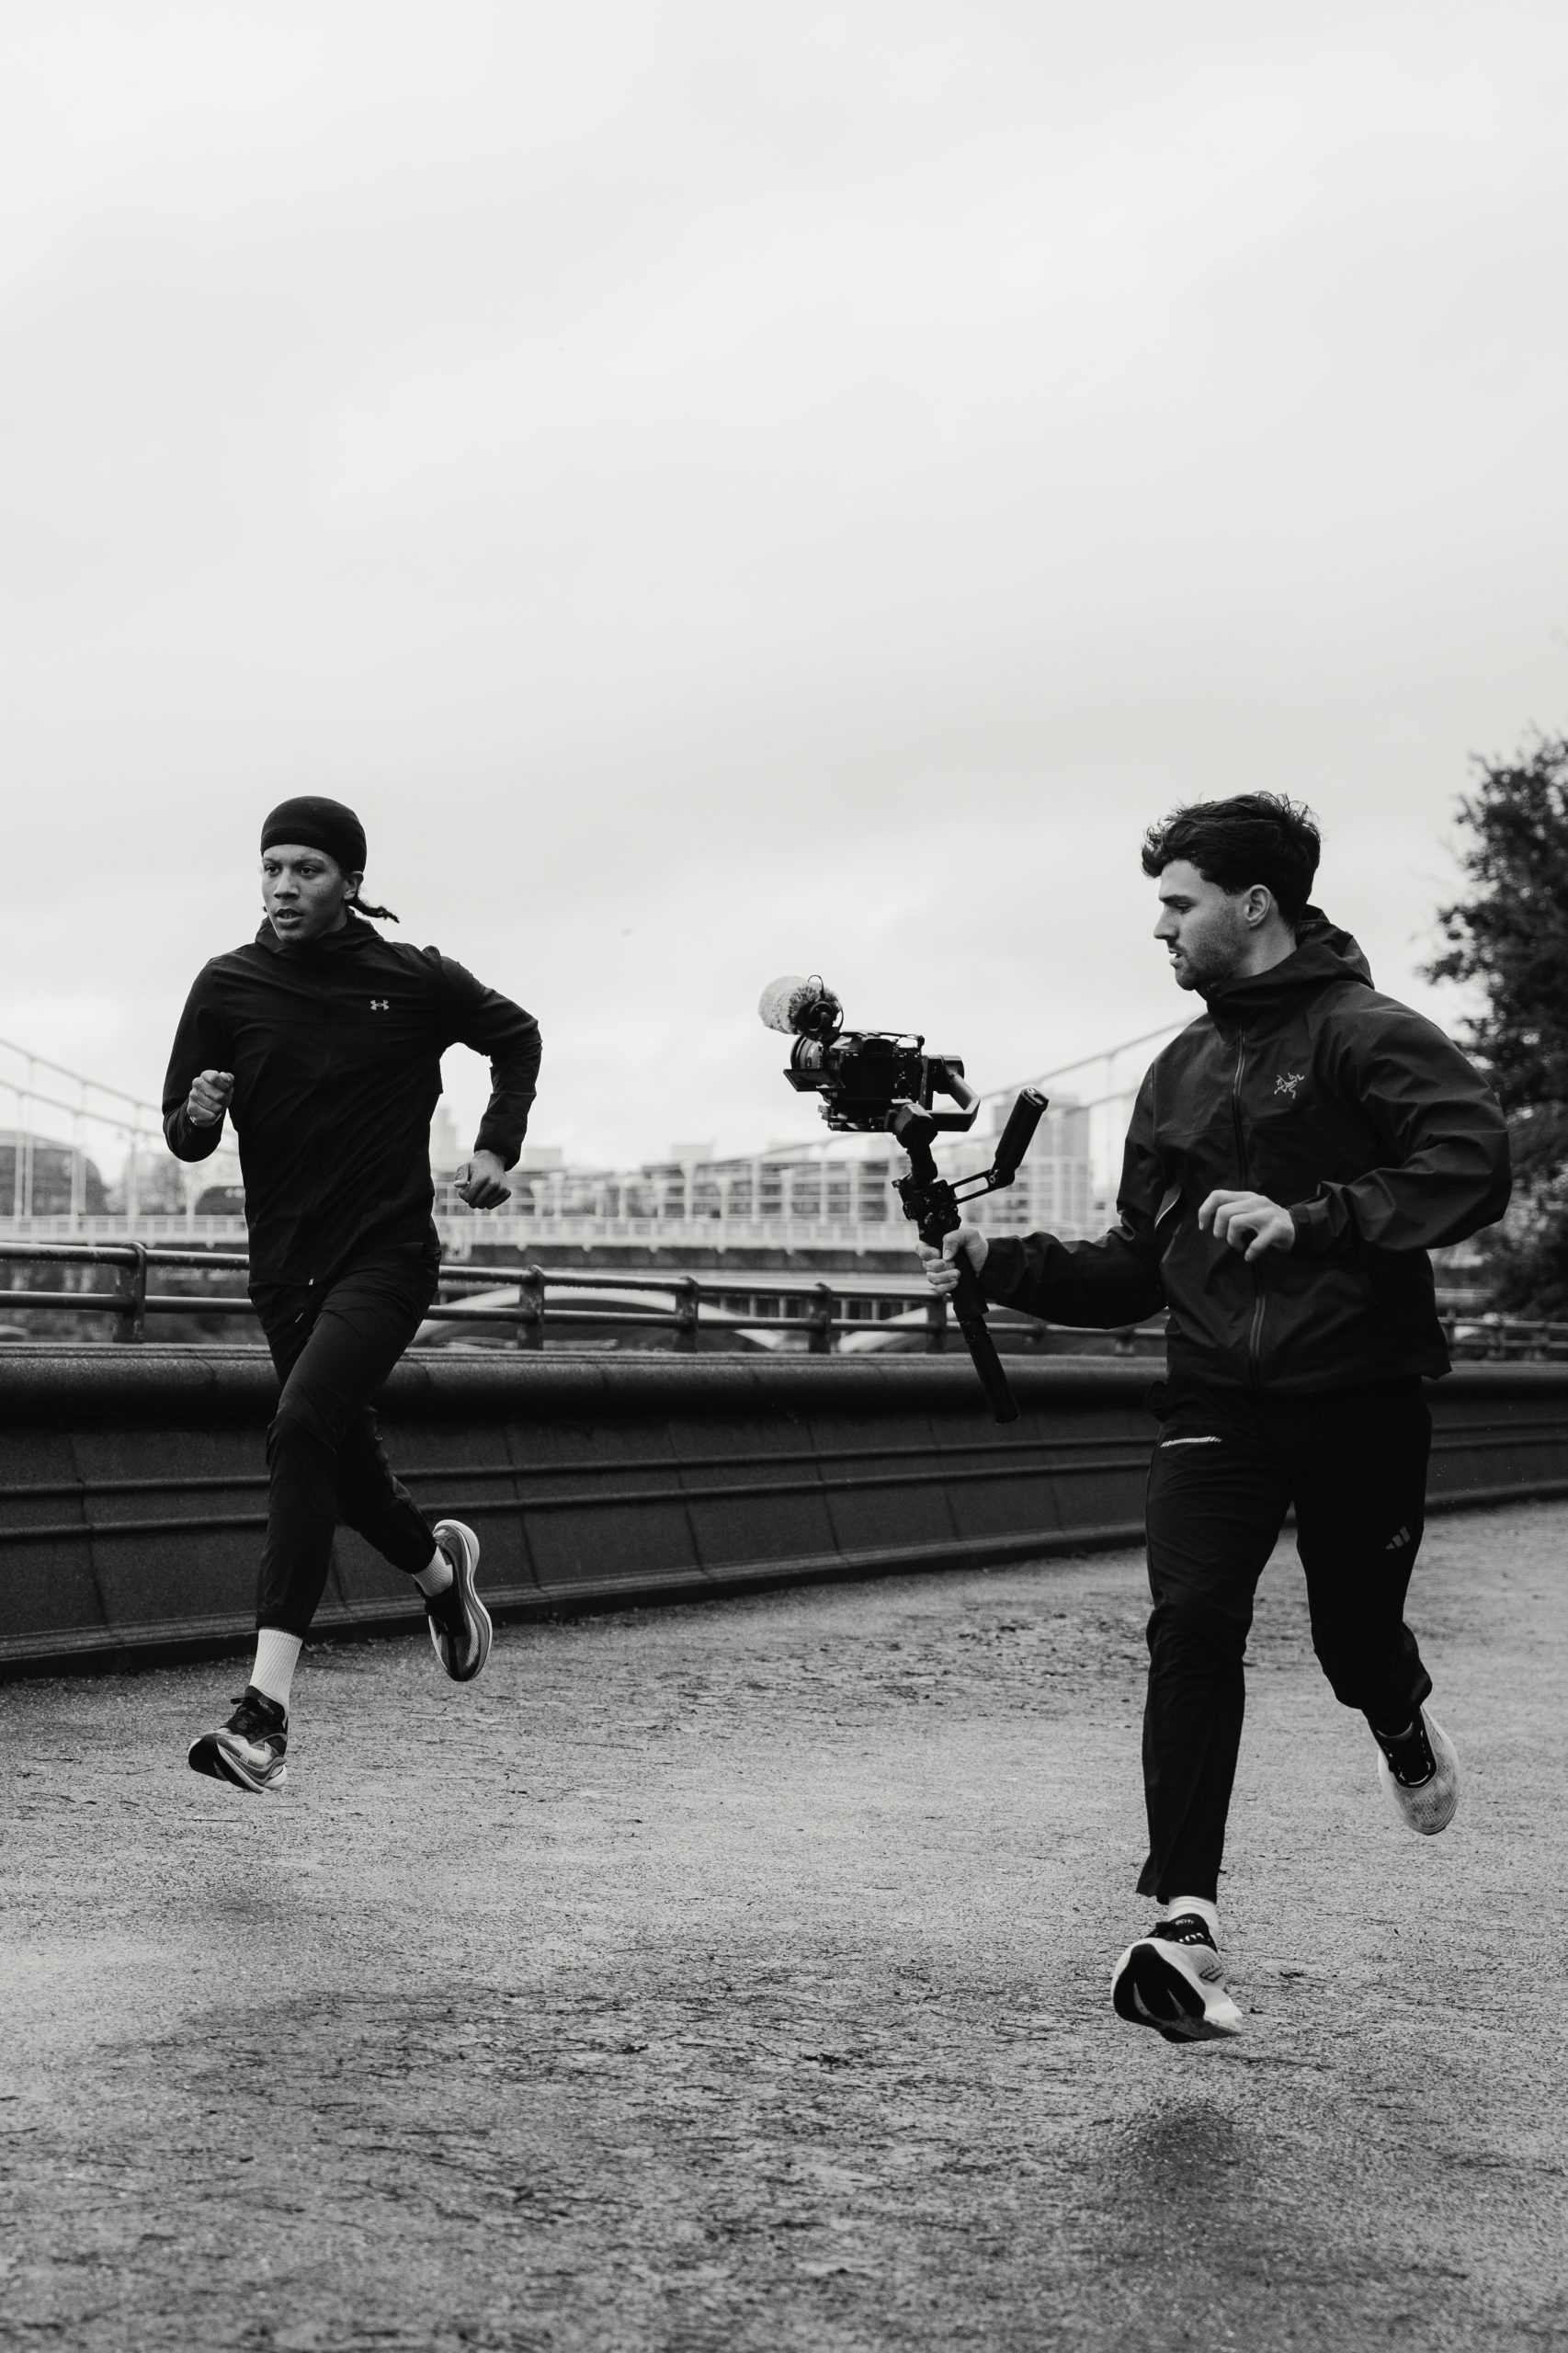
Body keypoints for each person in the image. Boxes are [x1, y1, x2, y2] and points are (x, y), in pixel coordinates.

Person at [920, 793, 1510, 2042]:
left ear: (1252, 904)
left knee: (1353, 1642)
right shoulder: (1176, 1072)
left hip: (1357, 1396)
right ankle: (1182, 1926)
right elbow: (1137, 1266)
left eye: (1176, 904)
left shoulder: (1368, 1035)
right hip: (1212, 1405)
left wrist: (1314, 1218)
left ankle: (1396, 1717)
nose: (1160, 929)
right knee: (1191, 1624)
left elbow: (1471, 1165)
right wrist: (996, 1262)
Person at [164, 797, 541, 1795]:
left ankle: (263, 1717)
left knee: (298, 1429)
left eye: (308, 869)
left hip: (386, 1257)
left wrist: (496, 1146)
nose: (284, 887)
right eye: (271, 867)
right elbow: (184, 1135)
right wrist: (197, 1114)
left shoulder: (414, 979)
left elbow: (517, 1035)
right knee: (344, 1462)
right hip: (283, 1269)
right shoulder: (226, 984)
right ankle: (442, 1578)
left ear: (351, 882)